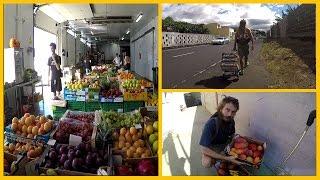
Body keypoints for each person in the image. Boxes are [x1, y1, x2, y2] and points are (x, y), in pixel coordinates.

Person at [200, 96, 243, 169]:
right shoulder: (211, 124)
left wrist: (240, 140)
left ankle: (221, 158)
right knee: (206, 162)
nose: (230, 114)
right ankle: (216, 160)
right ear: (220, 109)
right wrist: (226, 158)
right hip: (212, 147)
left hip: (224, 145)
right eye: (227, 110)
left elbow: (232, 136)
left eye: (233, 112)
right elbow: (203, 148)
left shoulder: (231, 121)